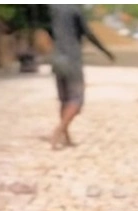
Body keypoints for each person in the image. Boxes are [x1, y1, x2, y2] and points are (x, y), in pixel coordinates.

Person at [45, 4, 115, 150]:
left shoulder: (53, 9)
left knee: (64, 100)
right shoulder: (75, 9)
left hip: (56, 58)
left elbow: (50, 30)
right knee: (76, 100)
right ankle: (58, 131)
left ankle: (66, 137)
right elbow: (88, 33)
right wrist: (106, 52)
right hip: (72, 59)